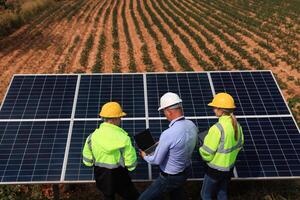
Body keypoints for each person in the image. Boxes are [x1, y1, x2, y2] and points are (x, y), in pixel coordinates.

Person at [139, 92, 198, 200]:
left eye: (164, 112)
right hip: (184, 172)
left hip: (169, 177)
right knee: (177, 196)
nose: (164, 115)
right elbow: (180, 143)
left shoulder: (168, 134)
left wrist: (144, 155)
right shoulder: (192, 125)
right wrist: (162, 144)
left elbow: (156, 160)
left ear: (169, 112)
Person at [82, 102, 139, 200]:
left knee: (108, 196)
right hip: (121, 178)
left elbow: (87, 162)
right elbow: (131, 165)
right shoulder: (124, 138)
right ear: (115, 119)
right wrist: (130, 167)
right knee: (133, 197)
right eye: (120, 117)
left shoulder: (91, 137)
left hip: (102, 179)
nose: (120, 120)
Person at [199, 93, 244, 200]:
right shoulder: (237, 125)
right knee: (222, 193)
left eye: (215, 107)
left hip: (214, 170)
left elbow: (207, 153)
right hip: (229, 168)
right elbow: (240, 145)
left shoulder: (217, 129)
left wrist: (200, 148)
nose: (213, 109)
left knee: (205, 195)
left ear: (221, 110)